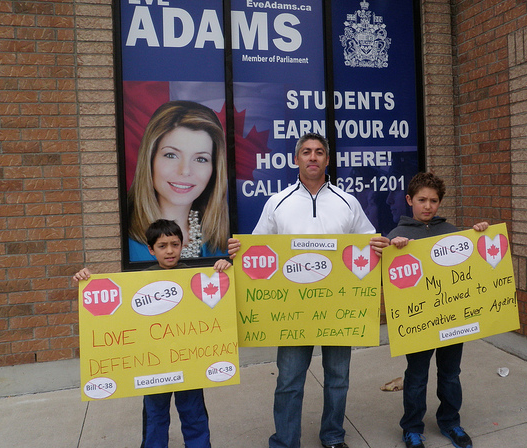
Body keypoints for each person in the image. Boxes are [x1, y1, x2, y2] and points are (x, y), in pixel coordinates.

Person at [228, 133, 389, 448]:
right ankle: (286, 441)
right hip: (293, 312)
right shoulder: (277, 202)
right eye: (306, 152)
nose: (312, 157)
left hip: (339, 308)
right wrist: (239, 250)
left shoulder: (347, 202)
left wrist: (379, 244)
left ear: (327, 160)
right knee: (288, 381)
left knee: (338, 379)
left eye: (318, 152)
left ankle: (332, 436)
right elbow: (259, 249)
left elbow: (368, 242)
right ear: (296, 160)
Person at [74, 219, 231, 448]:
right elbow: (113, 311)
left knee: (194, 413)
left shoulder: (198, 278)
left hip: (190, 361)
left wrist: (223, 268)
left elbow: (216, 306)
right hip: (153, 366)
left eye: (175, 244)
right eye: (162, 245)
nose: (170, 250)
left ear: (183, 244)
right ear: (150, 249)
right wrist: (85, 280)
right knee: (155, 417)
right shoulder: (138, 282)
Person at [387, 172, 488, 448]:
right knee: (417, 376)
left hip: (452, 321)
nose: (427, 206)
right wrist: (393, 249)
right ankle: (411, 427)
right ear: (410, 200)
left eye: (433, 201)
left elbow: (475, 257)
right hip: (418, 323)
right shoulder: (397, 236)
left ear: (440, 202)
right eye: (421, 200)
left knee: (450, 373)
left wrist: (479, 233)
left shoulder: (453, 232)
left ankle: (450, 422)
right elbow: (384, 274)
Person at [127, 100, 229, 262]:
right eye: (171, 155)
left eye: (201, 159)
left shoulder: (221, 241)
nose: (185, 171)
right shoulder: (120, 237)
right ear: (150, 158)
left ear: (214, 169)